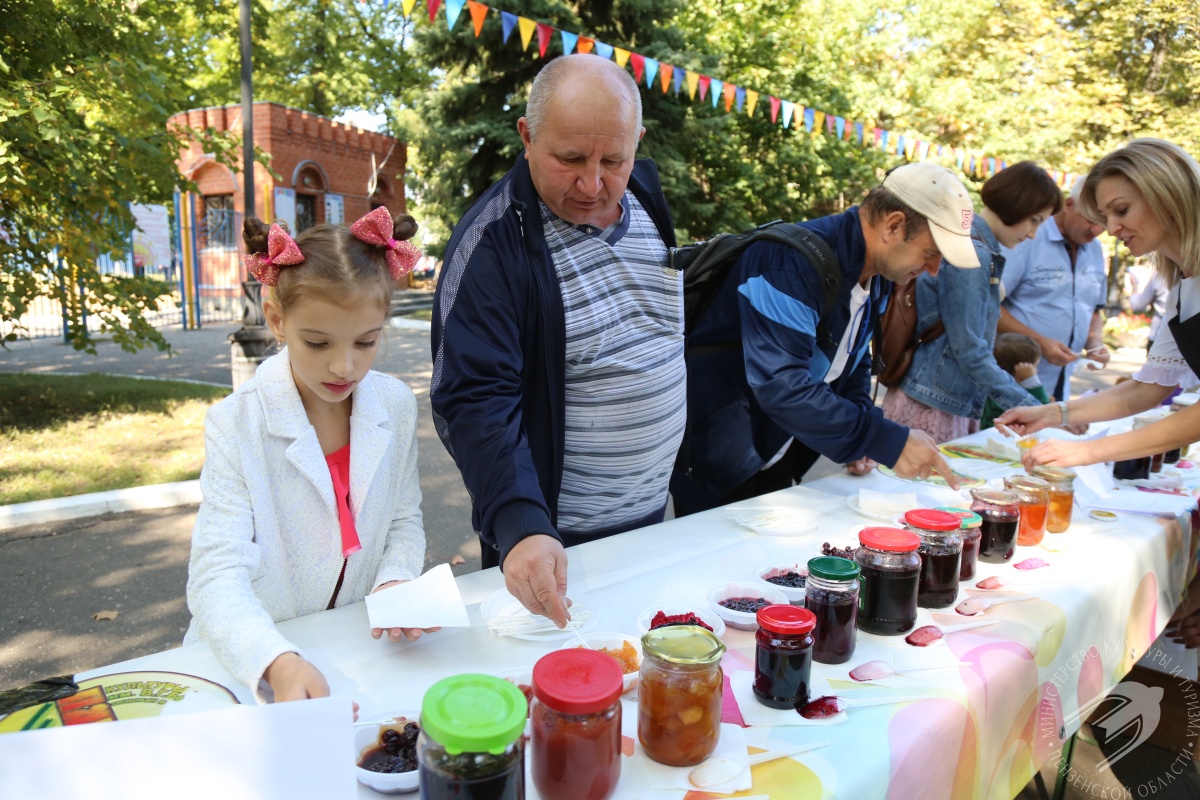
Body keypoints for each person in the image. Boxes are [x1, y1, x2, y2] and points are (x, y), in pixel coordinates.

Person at [430, 54, 679, 628]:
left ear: (636, 143)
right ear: (526, 136)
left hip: (655, 518)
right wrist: (520, 523)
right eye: (570, 159)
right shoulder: (494, 242)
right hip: (555, 548)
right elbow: (474, 398)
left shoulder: (646, 195)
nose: (593, 184)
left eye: (613, 160)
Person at [185, 207, 433, 704]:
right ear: (276, 319)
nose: (344, 366)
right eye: (317, 342)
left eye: (366, 341)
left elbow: (404, 521)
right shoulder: (237, 424)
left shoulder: (395, 403)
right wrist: (271, 660)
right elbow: (216, 575)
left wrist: (394, 581)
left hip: (355, 653)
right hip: (254, 664)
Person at [668, 162, 978, 516]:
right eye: (931, 252)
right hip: (718, 460)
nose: (935, 269)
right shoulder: (789, 263)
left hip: (779, 449)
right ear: (894, 225)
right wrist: (882, 439)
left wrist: (859, 438)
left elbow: (854, 356)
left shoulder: (876, 273)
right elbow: (783, 385)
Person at [997, 139, 1200, 470]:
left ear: (1167, 193)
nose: (1111, 228)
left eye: (1121, 210)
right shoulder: (1183, 287)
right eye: (1106, 216)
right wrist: (1052, 413)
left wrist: (1089, 451)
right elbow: (1146, 389)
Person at [882, 162, 1062, 443]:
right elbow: (970, 351)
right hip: (932, 404)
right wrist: (1039, 410)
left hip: (940, 398)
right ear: (1017, 204)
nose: (1032, 234)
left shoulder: (977, 247)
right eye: (1035, 220)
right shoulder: (973, 252)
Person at [997, 175, 1111, 401]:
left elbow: (1094, 309)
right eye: (1091, 220)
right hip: (1013, 381)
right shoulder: (1027, 237)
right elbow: (988, 305)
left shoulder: (1096, 249)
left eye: (1104, 223)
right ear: (1069, 205)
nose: (1097, 230)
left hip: (1062, 381)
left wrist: (1095, 342)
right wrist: (1039, 342)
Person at [980, 334, 1051, 429]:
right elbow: (1044, 415)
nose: (1036, 372)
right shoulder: (1001, 399)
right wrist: (1031, 383)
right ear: (1017, 372)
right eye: (1034, 367)